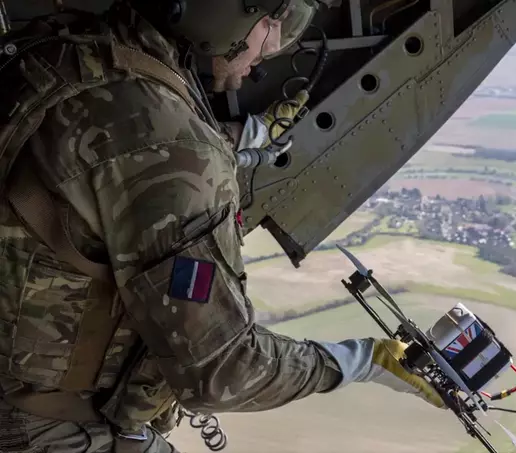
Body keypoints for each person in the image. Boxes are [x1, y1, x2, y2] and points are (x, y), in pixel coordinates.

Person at [0, 1, 443, 452]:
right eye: (272, 20)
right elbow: (224, 370)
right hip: (43, 428)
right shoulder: (169, 144)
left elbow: (109, 155)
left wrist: (240, 139)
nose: (274, 43)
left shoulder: (69, 54)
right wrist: (364, 361)